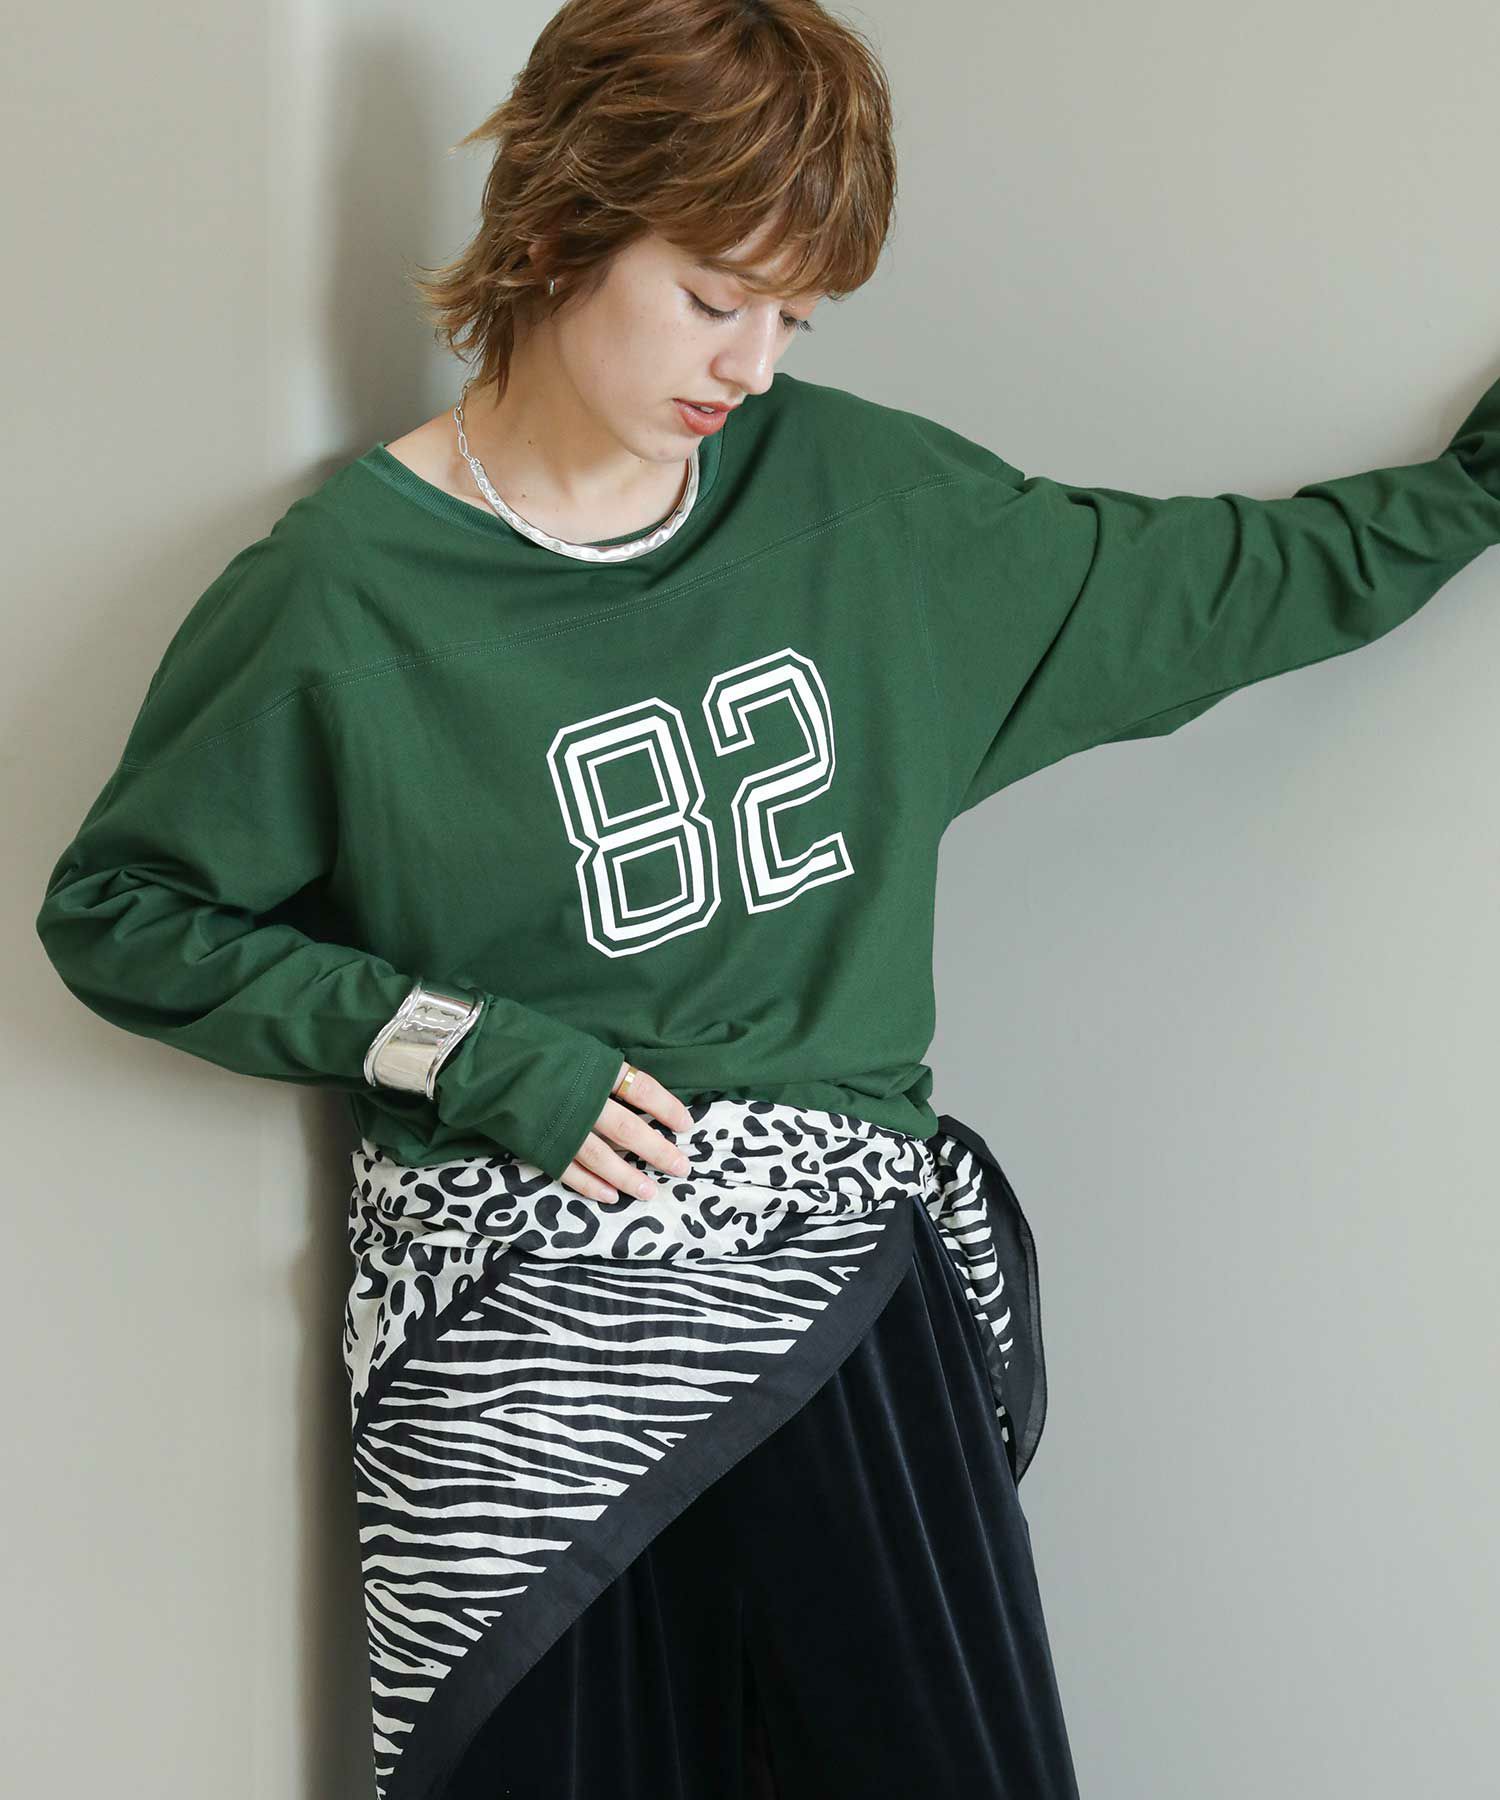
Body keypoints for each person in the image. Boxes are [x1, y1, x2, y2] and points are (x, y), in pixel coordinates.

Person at [32, 1, 1500, 1796]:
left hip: (836, 1303)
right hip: (524, 1356)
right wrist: (469, 1050)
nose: (749, 363)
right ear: (560, 226)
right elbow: (125, 911)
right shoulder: (345, 595)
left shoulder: (865, 504)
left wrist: (1471, 497)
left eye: (795, 316)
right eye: (714, 295)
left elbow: (1212, 585)